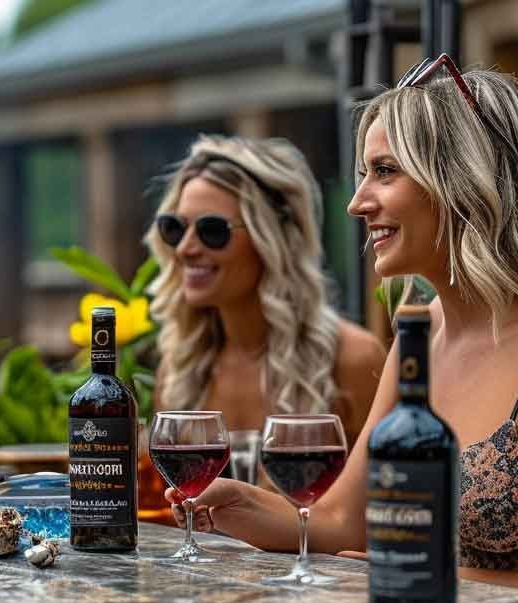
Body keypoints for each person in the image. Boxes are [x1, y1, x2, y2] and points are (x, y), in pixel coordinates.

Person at [170, 61, 518, 603]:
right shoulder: (422, 331)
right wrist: (237, 504)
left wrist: (447, 582)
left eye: (385, 171)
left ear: (461, 181)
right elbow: (341, 519)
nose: (357, 202)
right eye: (364, 172)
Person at [146, 136, 386, 450]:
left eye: (212, 231)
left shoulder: (352, 361)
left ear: (270, 241)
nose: (185, 248)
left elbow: (388, 492)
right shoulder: (180, 372)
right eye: (175, 228)